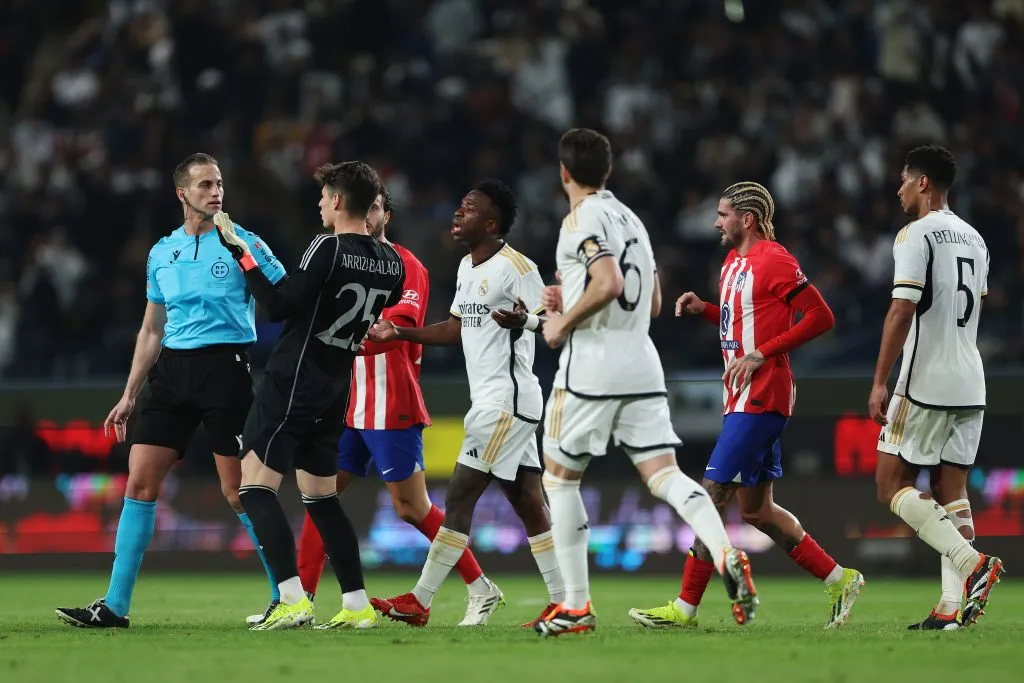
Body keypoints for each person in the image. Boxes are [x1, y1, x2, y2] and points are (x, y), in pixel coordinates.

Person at [533, 128, 755, 638]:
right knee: (665, 477)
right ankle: (724, 552)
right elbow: (651, 302)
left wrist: (563, 322)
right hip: (641, 362)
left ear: (565, 173)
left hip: (591, 365)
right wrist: (570, 297)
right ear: (607, 171)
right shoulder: (632, 219)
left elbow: (607, 283)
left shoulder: (580, 218)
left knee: (560, 479)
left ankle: (576, 606)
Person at [55, 153, 285, 628]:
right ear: (182, 193)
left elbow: (289, 297)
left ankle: (286, 598)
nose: (216, 192)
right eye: (205, 185)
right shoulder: (162, 252)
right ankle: (115, 606)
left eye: (219, 183)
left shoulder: (245, 242)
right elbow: (151, 329)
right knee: (139, 483)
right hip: (172, 372)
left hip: (227, 368)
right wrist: (129, 394)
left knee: (238, 491)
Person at [628, 181, 865, 631]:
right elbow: (743, 318)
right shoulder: (732, 262)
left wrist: (764, 353)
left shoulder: (775, 258)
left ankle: (685, 608)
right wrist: (705, 309)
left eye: (722, 214)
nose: (715, 222)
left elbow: (821, 316)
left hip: (763, 394)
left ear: (747, 219)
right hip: (739, 396)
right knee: (756, 511)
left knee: (709, 494)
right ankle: (841, 578)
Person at [285, 187, 499, 628]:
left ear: (386, 215)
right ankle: (300, 602)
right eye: (364, 209)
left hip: (390, 401)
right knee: (318, 496)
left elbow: (397, 323)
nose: (368, 217)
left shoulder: (407, 265)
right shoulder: (344, 260)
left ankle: (481, 587)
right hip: (347, 403)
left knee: (411, 508)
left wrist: (338, 337)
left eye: (376, 208)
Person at [367, 180, 566, 628]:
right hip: (492, 400)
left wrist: (526, 320)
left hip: (507, 401)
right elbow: (455, 329)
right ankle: (566, 601)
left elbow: (558, 326)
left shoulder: (518, 267)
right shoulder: (466, 268)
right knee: (528, 502)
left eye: (468, 210)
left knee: (458, 497)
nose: (457, 214)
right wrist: (400, 333)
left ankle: (420, 599)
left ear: (491, 223)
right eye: (459, 207)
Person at [224, 161, 406, 630]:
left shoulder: (327, 245)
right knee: (322, 499)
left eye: (325, 196)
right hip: (335, 388)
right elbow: (371, 311)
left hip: (294, 380)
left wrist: (243, 254)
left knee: (254, 486)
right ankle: (357, 603)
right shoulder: (394, 263)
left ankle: (291, 598)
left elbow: (281, 306)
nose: (320, 203)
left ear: (340, 201)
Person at [869, 145, 1003, 630]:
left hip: (925, 380)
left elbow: (903, 310)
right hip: (972, 379)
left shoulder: (915, 234)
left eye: (905, 179)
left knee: (891, 485)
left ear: (924, 183)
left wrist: (881, 380)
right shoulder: (976, 237)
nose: (899, 188)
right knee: (952, 489)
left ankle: (974, 566)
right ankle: (952, 607)